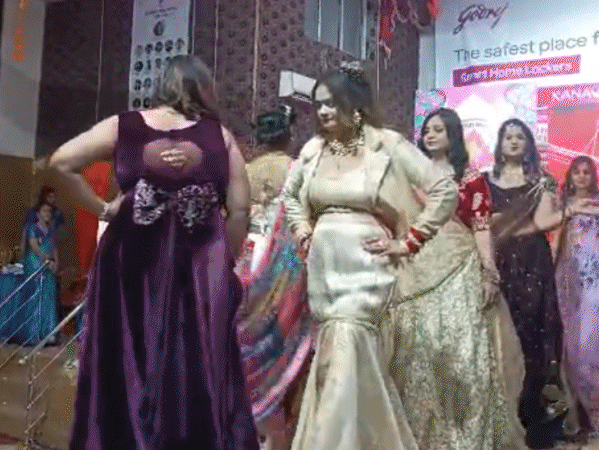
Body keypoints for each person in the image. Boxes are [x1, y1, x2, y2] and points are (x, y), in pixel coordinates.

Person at [49, 55, 259, 450]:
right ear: (204, 89)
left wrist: (103, 209)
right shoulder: (220, 136)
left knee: (126, 351)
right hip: (201, 259)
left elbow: (61, 162)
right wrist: (223, 259)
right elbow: (240, 210)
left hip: (131, 255)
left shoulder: (123, 125)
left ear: (161, 85)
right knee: (197, 357)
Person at [282, 63, 457, 450]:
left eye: (332, 103)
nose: (323, 111)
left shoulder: (387, 145)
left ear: (355, 106)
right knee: (336, 357)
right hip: (325, 269)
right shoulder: (312, 151)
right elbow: (290, 196)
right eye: (318, 104)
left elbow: (444, 190)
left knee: (347, 344)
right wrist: (303, 229)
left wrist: (409, 241)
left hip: (367, 267)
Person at [389, 108, 526, 449]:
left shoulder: (469, 177)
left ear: (453, 134)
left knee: (462, 353)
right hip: (414, 268)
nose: (430, 135)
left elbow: (480, 227)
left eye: (438, 129)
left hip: (459, 268)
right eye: (426, 130)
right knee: (416, 351)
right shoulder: (409, 175)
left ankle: (467, 436)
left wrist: (489, 272)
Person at [484, 118, 598, 449]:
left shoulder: (542, 181)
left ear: (529, 145)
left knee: (533, 338)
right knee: (498, 337)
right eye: (508, 136)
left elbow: (542, 222)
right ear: (500, 143)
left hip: (532, 265)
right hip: (498, 263)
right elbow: (483, 225)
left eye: (520, 137)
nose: (514, 141)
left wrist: (569, 210)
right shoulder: (485, 182)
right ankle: (498, 419)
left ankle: (534, 421)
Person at [554, 155, 599, 445]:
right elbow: (556, 242)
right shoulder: (562, 206)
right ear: (570, 177)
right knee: (572, 349)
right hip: (568, 281)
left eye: (587, 172)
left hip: (594, 282)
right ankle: (581, 415)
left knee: (590, 345)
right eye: (577, 172)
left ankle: (596, 414)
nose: (582, 177)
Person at [16, 201, 59, 344]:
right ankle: (33, 333)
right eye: (44, 211)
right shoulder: (32, 227)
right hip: (35, 262)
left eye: (49, 212)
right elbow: (33, 245)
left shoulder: (51, 230)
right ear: (38, 213)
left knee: (49, 294)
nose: (47, 214)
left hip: (48, 264)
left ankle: (48, 332)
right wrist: (45, 259)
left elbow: (54, 248)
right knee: (36, 294)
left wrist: (55, 262)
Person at [20, 185, 65, 260]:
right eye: (49, 197)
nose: (52, 199)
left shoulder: (58, 213)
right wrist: (22, 253)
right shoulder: (33, 212)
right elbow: (25, 234)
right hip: (34, 252)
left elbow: (62, 232)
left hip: (53, 248)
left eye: (54, 197)